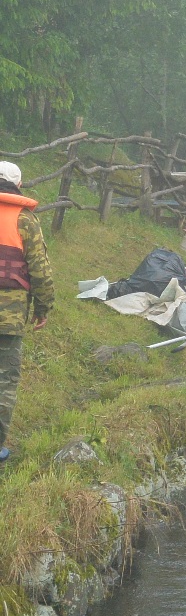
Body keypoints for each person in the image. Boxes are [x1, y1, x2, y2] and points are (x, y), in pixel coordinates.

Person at [0, 162, 54, 464]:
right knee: (4, 382)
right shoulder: (24, 220)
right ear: (18, 186)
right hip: (8, 319)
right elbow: (40, 271)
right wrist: (43, 306)